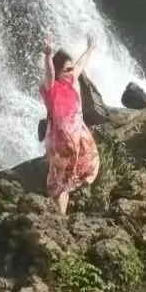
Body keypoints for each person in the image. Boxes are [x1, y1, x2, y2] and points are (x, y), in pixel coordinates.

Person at [40, 35, 100, 214]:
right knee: (60, 186)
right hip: (62, 144)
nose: (71, 72)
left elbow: (80, 65)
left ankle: (61, 212)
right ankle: (60, 217)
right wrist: (48, 56)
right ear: (58, 72)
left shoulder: (71, 81)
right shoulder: (51, 90)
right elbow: (49, 73)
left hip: (79, 138)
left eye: (71, 69)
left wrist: (89, 48)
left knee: (87, 167)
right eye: (67, 69)